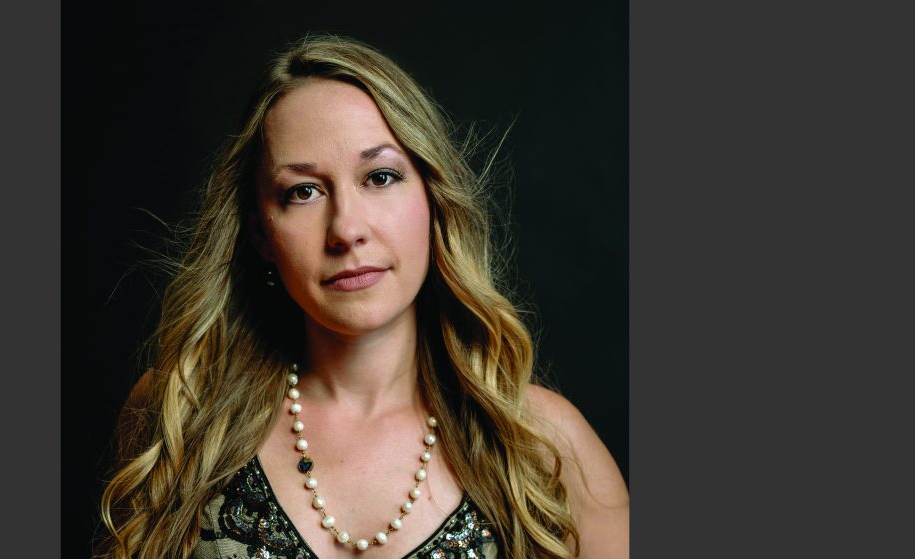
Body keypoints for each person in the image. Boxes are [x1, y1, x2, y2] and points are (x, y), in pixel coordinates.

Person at [99, 34, 628, 559]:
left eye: (380, 176)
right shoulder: (180, 414)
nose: (346, 230)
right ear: (260, 232)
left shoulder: (544, 444)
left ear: (434, 197)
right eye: (303, 191)